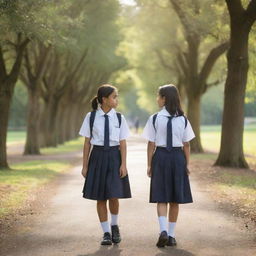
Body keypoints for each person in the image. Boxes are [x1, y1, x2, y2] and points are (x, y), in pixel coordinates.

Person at [142, 84, 195, 247]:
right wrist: (187, 164)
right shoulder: (183, 119)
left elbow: (151, 144)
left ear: (164, 98)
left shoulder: (155, 118)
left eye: (158, 96)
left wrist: (149, 165)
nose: (157, 99)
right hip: (178, 158)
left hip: (161, 157)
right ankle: (171, 236)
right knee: (175, 198)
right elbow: (186, 144)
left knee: (161, 196)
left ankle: (163, 230)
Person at [79, 84, 132, 246]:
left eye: (117, 96)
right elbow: (87, 143)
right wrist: (85, 165)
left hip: (114, 157)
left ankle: (114, 226)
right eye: (114, 97)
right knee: (100, 197)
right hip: (97, 157)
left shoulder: (119, 118)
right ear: (104, 99)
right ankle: (106, 233)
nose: (117, 100)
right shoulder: (91, 117)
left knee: (114, 195)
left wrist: (123, 164)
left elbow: (123, 143)